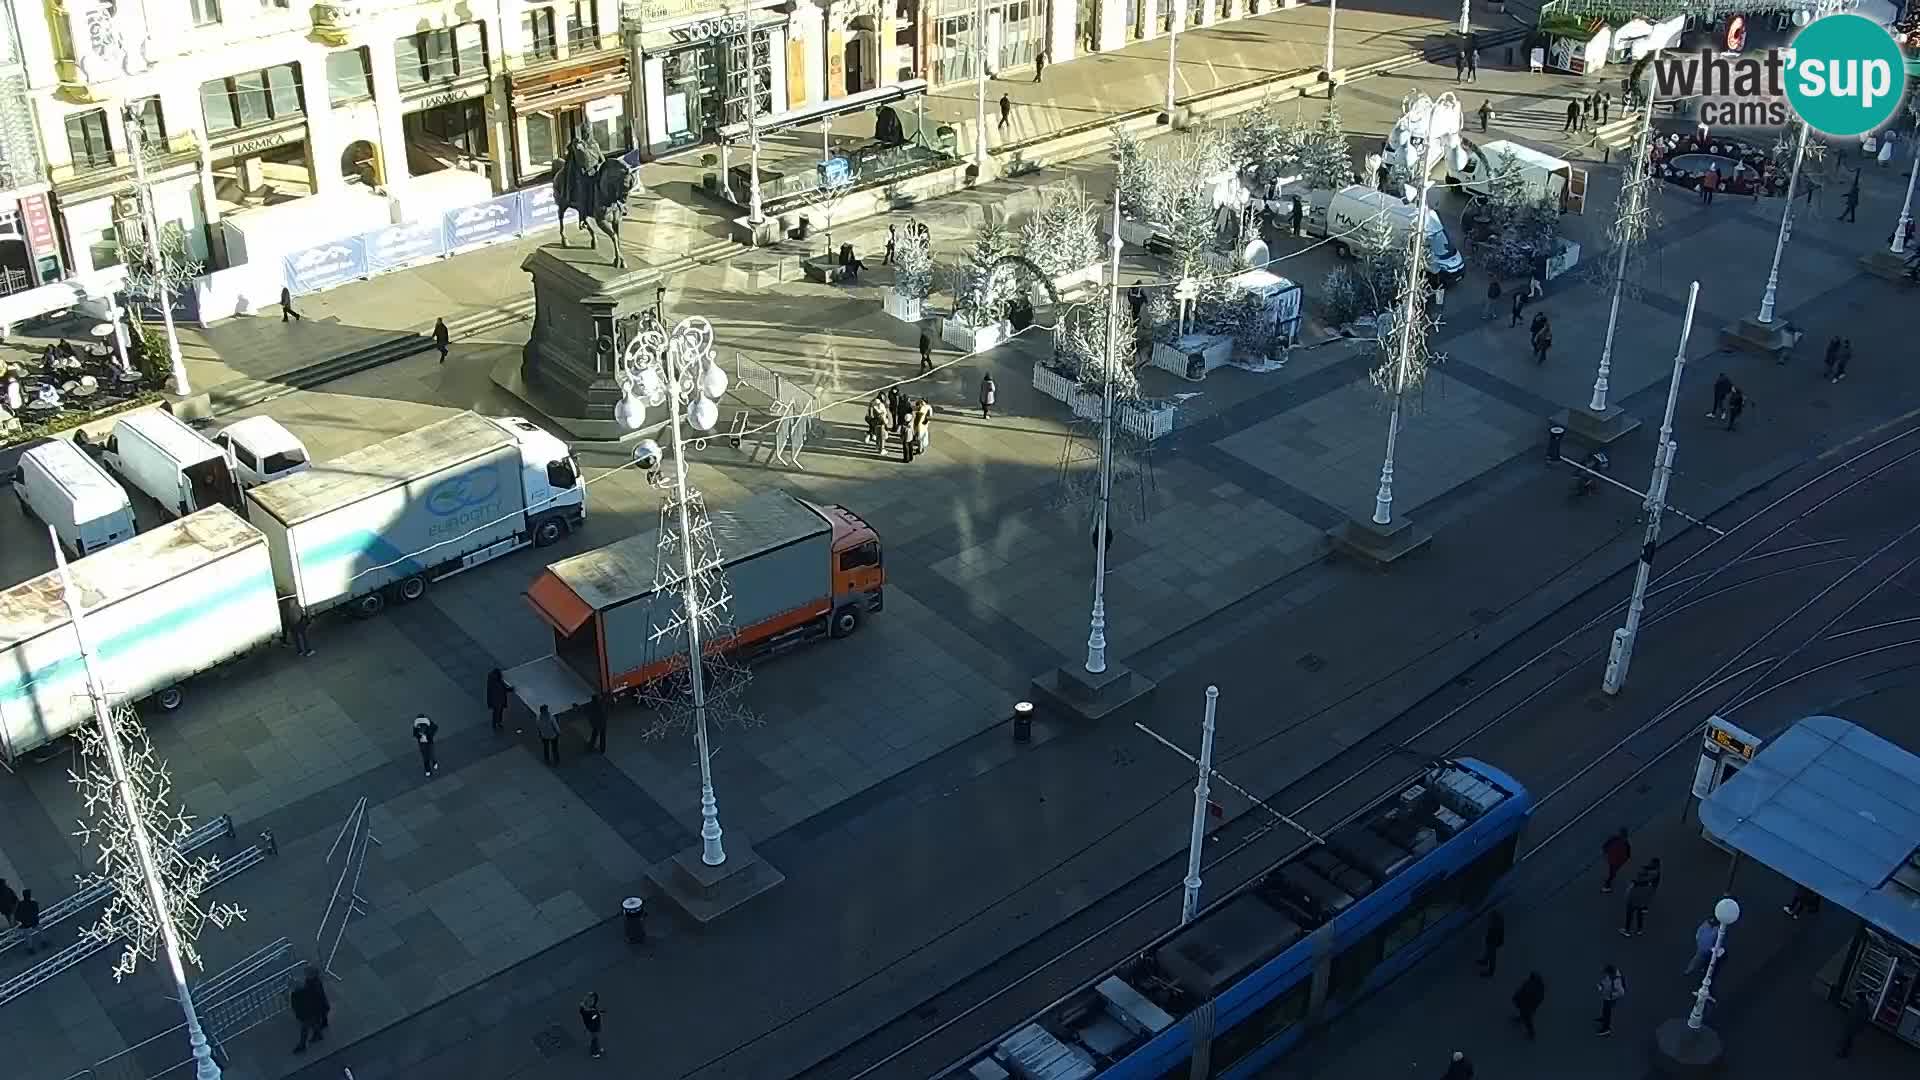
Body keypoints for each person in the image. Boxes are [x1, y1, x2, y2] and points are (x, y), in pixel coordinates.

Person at [291, 965, 329, 1053]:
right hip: (312, 1012)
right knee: (313, 1024)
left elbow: (300, 1006)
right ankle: (317, 1033)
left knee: (305, 1028)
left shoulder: (302, 991)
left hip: (308, 1014)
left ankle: (303, 1045)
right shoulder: (312, 984)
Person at [1622, 859, 1660, 936]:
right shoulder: (1656, 874)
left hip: (1635, 897)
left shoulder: (1640, 881)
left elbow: (1638, 881)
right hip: (1643, 898)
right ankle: (1639, 930)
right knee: (1640, 913)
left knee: (1630, 912)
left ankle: (1627, 930)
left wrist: (1633, 883)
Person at [1511, 971, 1546, 1039]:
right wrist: (1517, 996)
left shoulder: (1538, 987)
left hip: (1529, 1004)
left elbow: (1538, 998)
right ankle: (1521, 1018)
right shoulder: (1529, 982)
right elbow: (1522, 989)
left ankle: (1531, 1033)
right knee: (1523, 1012)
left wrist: (1532, 1005)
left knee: (1527, 1018)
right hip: (1523, 1001)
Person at [1838, 989, 1872, 1057]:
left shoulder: (1859, 1004)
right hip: (1855, 1024)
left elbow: (1853, 1013)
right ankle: (1845, 1050)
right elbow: (1865, 1018)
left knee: (1846, 1037)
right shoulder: (1865, 1006)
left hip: (1852, 1022)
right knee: (1849, 1037)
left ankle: (1842, 1052)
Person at [1594, 964, 1626, 1035]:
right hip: (1607, 996)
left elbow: (1621, 992)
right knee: (1604, 1008)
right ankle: (1603, 1018)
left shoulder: (1617, 981)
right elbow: (1606, 981)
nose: (1606, 974)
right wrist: (1601, 985)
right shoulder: (1611, 975)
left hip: (1611, 998)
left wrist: (1612, 996)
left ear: (1610, 972)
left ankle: (1606, 1029)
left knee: (1607, 1012)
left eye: (1606, 972)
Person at [1600, 827, 1631, 891]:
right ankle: (1607, 885)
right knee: (1612, 872)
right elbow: (1628, 854)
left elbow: (1605, 846)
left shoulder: (1616, 839)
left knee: (1613, 872)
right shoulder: (1622, 842)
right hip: (1614, 860)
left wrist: (1605, 853)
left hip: (1616, 861)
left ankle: (1608, 883)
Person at [1477, 910, 1505, 976]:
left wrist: (1496, 942)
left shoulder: (1497, 926)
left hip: (1493, 942)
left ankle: (1491, 971)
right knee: (1488, 951)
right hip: (1491, 940)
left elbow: (1498, 936)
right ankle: (1485, 961)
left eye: (1491, 918)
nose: (1489, 919)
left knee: (1492, 956)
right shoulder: (1495, 924)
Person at [14, 889, 41, 954]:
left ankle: (30, 948)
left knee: (28, 936)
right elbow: (37, 912)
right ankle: (43, 941)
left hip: (25, 923)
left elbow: (17, 915)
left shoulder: (21, 904)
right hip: (34, 921)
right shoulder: (34, 903)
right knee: (40, 930)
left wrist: (21, 920)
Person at [485, 668, 512, 732]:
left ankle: (495, 723)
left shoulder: (492, 681)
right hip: (499, 700)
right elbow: (502, 689)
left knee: (496, 712)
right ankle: (498, 722)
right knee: (499, 712)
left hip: (495, 700)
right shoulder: (498, 682)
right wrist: (509, 689)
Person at [579, 992, 605, 1059]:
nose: (592, 1002)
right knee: (594, 1039)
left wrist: (593, 994)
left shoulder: (587, 1009)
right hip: (593, 1028)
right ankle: (594, 1052)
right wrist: (598, 1013)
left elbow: (594, 1000)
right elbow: (593, 1018)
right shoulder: (588, 1013)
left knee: (595, 1038)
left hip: (594, 1026)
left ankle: (597, 1049)